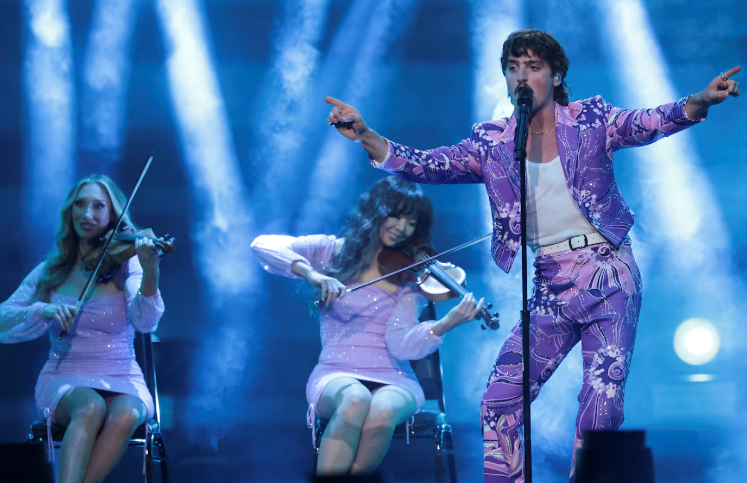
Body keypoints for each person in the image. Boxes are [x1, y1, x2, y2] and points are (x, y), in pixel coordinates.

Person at [323, 29, 740, 483]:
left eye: (533, 67)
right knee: (499, 402)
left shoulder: (590, 120)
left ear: (556, 76)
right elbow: (426, 164)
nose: (521, 76)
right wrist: (365, 134)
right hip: (549, 282)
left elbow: (649, 121)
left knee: (601, 406)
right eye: (513, 67)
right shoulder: (493, 143)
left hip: (609, 274)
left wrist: (701, 100)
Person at [251, 176, 482, 476]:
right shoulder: (331, 252)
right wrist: (312, 274)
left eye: (411, 223)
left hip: (395, 378)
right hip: (335, 372)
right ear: (377, 210)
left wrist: (445, 324)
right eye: (396, 215)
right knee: (355, 398)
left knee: (382, 409)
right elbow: (263, 245)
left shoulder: (408, 277)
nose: (402, 227)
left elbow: (400, 345)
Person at [0, 174, 165, 483]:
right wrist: (43, 309)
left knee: (127, 413)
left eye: (98, 206)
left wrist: (151, 272)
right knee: (89, 406)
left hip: (123, 374)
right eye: (80, 204)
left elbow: (145, 321)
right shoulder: (53, 269)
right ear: (70, 210)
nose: (87, 214)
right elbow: (3, 317)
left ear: (113, 215)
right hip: (65, 376)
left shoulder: (128, 265)